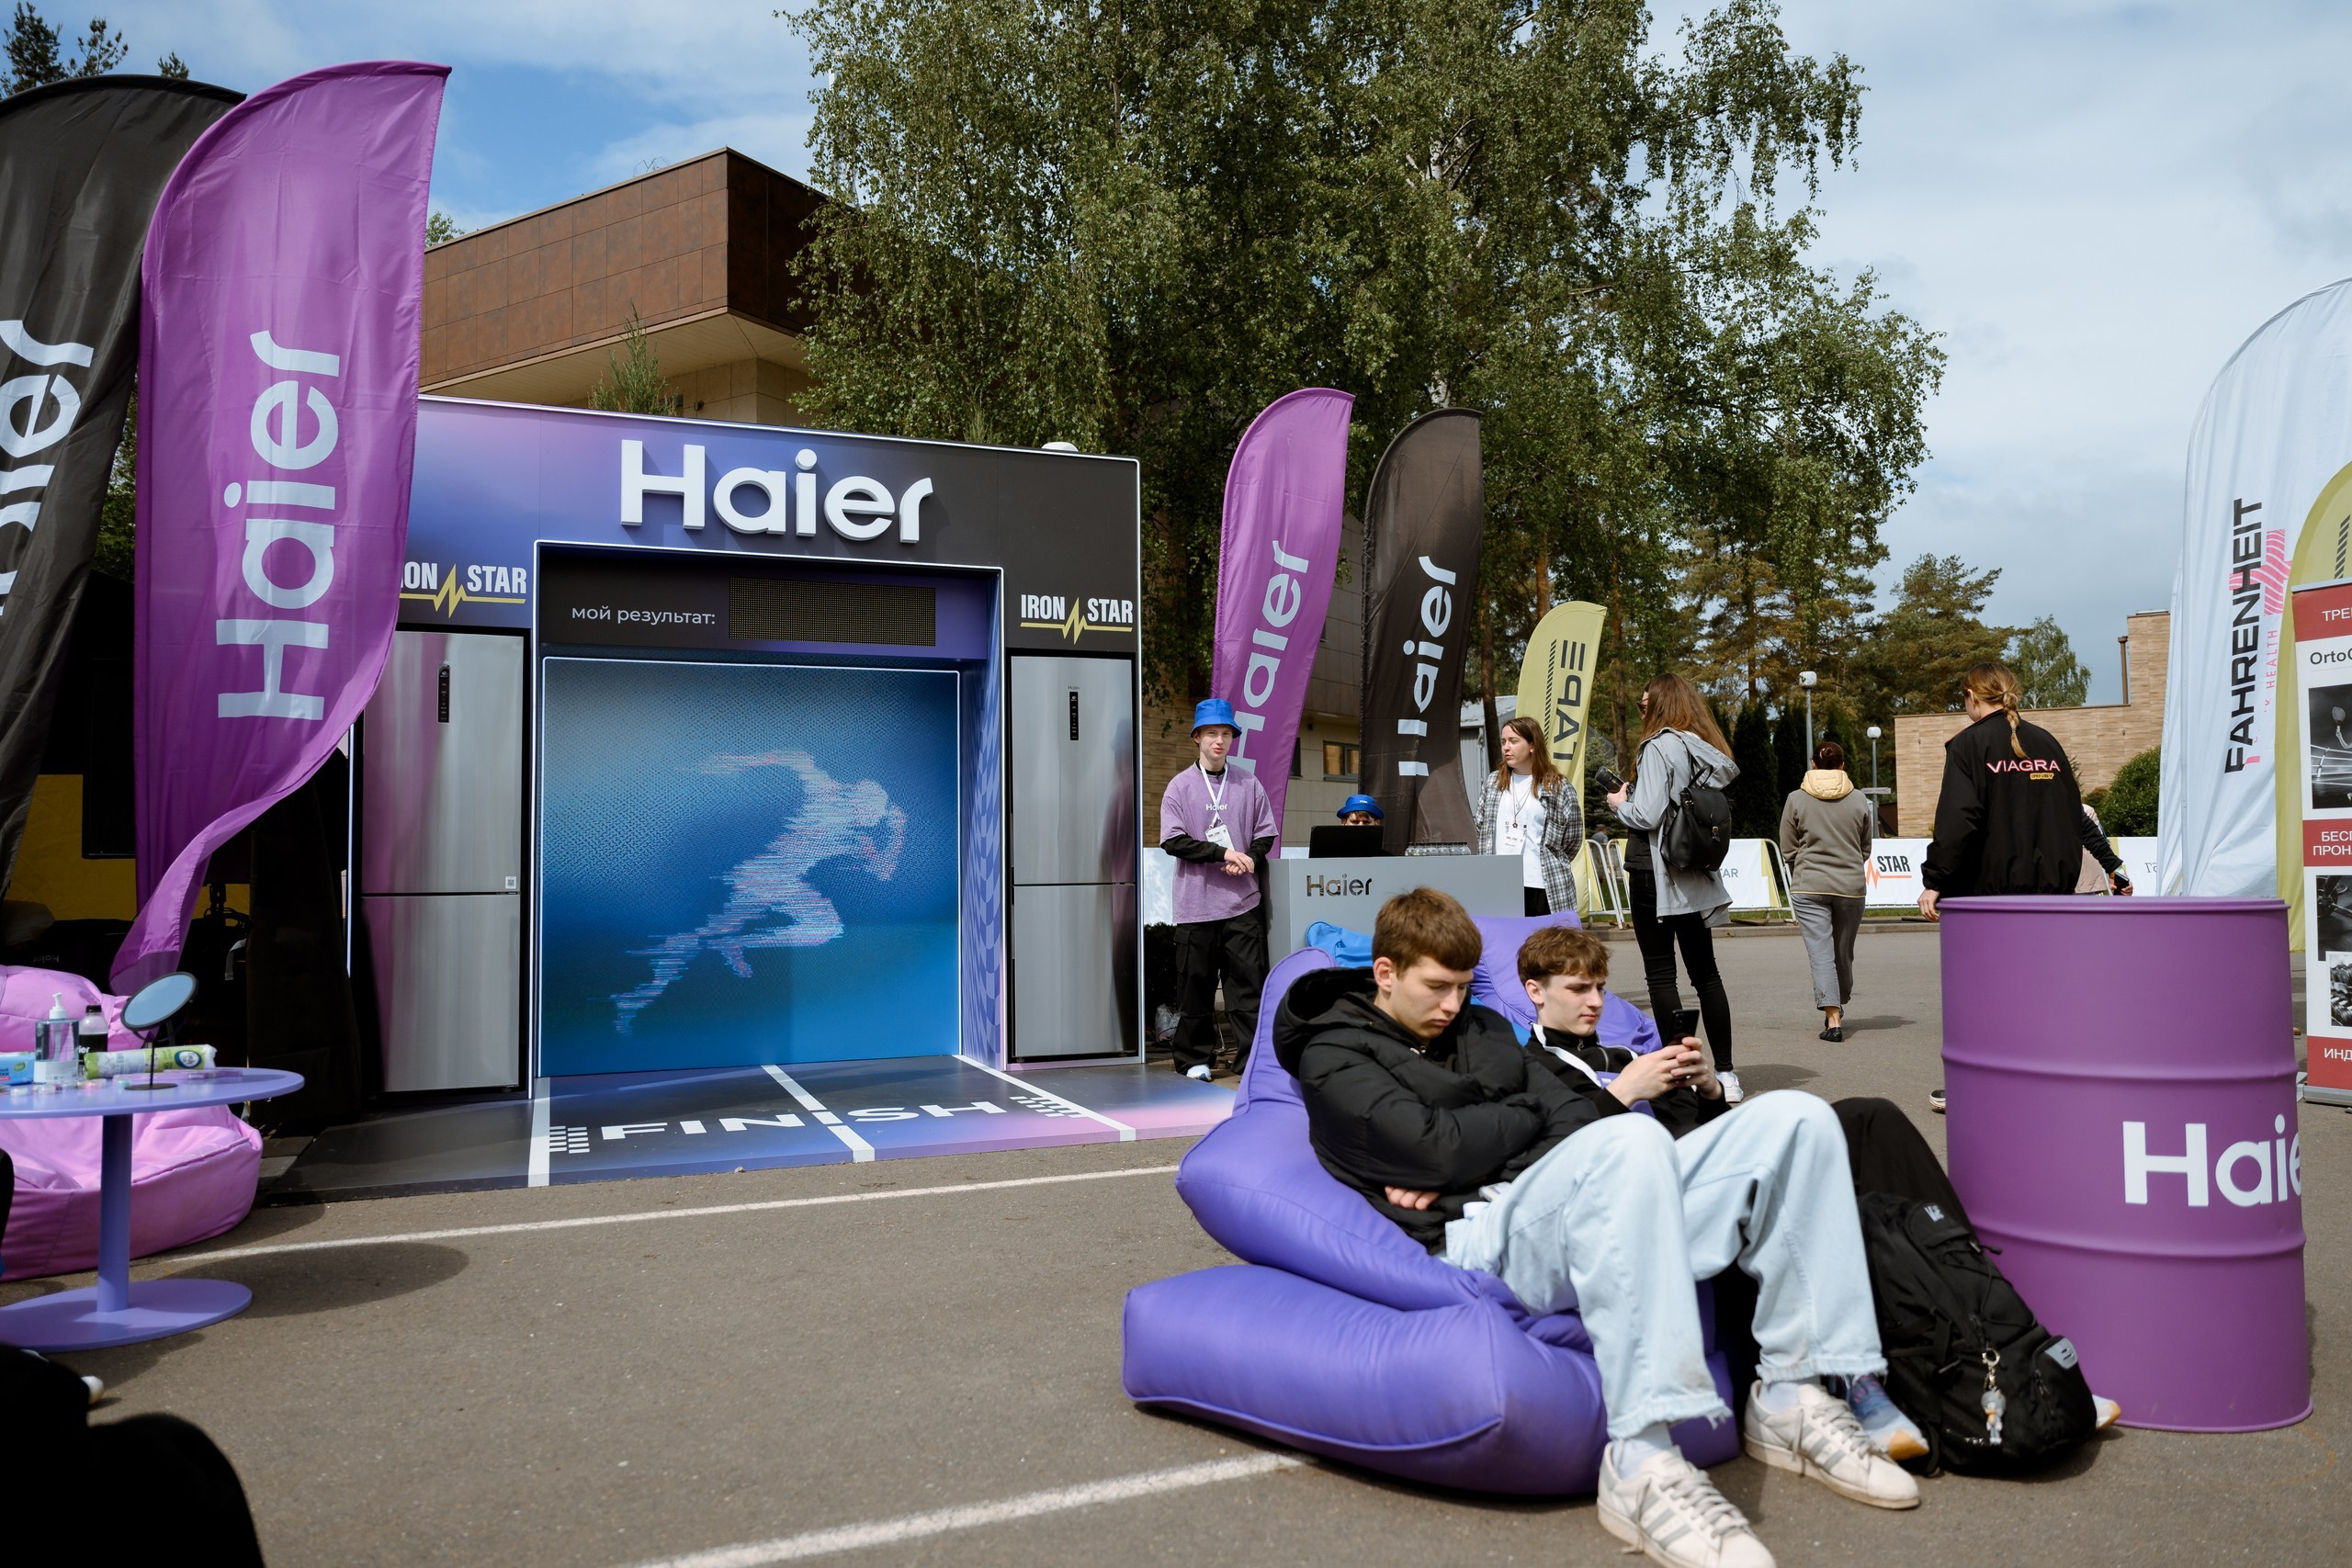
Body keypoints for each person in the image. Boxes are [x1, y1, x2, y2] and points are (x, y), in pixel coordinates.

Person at [1275, 887, 1917, 1568]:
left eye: (1463, 987)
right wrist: (1502, 1129)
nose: (1452, 1005)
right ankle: (1642, 1462)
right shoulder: (1332, 1054)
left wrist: (1476, 1138)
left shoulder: (1482, 1027)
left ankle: (1794, 1390)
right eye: (1436, 987)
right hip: (1480, 1231)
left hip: (1561, 1192)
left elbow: (1571, 1118)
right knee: (1629, 1141)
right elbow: (1438, 1150)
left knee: (1796, 1119)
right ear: (1385, 972)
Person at [1918, 661, 2088, 1113]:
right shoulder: (2047, 742)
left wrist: (1935, 880)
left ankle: (1980, 1086)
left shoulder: (1968, 744)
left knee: (1985, 994)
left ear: (1973, 697)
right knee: (2042, 990)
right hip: (2051, 893)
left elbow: (1959, 822)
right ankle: (2044, 1079)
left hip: (1988, 896)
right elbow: (2072, 815)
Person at [1606, 673, 1746, 1103]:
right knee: (1706, 974)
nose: (1641, 708)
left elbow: (1647, 815)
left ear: (1661, 704)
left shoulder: (1656, 746)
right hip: (1693, 869)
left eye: (1645, 703)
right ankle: (1726, 1073)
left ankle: (1678, 1072)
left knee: (1661, 973)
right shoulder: (1699, 747)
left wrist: (1620, 804)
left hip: (1654, 871)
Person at [1515, 923, 1725, 1138]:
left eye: (1599, 988)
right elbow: (1558, 1147)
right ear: (1536, 992)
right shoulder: (1530, 1071)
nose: (1596, 1002)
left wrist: (1711, 1092)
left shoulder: (1627, 1057)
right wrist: (1625, 1090)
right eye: (1578, 989)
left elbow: (1702, 1131)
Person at [1159, 698, 1277, 1081]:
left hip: (1243, 902)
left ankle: (1252, 1061)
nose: (1219, 740)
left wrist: (1249, 859)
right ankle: (1195, 1060)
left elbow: (1265, 833)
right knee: (1196, 986)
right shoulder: (1179, 786)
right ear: (1197, 737)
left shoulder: (1248, 782)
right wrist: (1223, 853)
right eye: (1211, 733)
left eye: (1226, 733)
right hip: (1196, 906)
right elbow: (1173, 841)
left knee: (1248, 988)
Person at [1779, 741, 1874, 1042]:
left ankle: (1833, 1019)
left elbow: (1787, 847)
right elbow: (1865, 847)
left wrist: (1803, 867)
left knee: (1821, 954)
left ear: (1813, 764)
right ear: (1843, 765)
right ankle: (1838, 1003)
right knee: (1843, 952)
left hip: (1809, 885)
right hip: (1850, 887)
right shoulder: (1859, 799)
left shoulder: (1796, 798)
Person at [1473, 715, 1583, 918]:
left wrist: (1550, 859)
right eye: (1504, 742)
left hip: (1542, 884)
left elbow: (1572, 839)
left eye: (1514, 741)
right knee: (1504, 936)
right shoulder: (1494, 782)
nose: (1506, 748)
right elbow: (1480, 826)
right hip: (1499, 882)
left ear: (1532, 745)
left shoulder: (1557, 787)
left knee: (1545, 937)